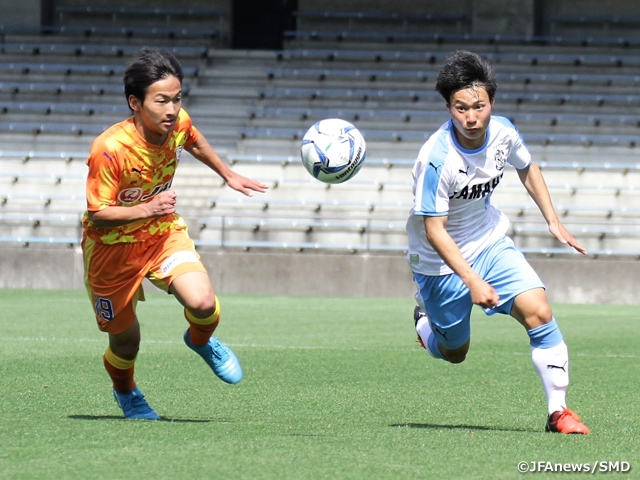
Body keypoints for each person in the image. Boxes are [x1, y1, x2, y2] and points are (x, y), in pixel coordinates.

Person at [406, 50, 589, 434]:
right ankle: (425, 325)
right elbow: (434, 230)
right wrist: (472, 281)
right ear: (448, 107)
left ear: (491, 101)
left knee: (538, 310)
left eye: (479, 106)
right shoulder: (436, 159)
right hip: (440, 264)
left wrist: (553, 222)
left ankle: (559, 413)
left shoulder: (504, 131)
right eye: (460, 108)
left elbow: (527, 166)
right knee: (455, 353)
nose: (471, 117)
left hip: (489, 242)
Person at [81, 47, 268, 419]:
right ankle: (126, 390)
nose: (171, 109)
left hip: (161, 233)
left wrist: (227, 173)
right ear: (135, 102)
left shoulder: (177, 122)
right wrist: (146, 208)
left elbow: (193, 139)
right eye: (161, 100)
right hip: (110, 251)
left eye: (177, 99)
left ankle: (200, 341)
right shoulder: (109, 149)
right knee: (125, 341)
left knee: (202, 303)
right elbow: (98, 215)